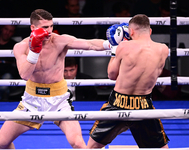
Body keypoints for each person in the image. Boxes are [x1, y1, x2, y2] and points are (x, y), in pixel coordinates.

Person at [0, 9, 110, 149]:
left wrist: (111, 44)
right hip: (32, 100)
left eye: (51, 26)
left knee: (77, 143)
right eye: (45, 27)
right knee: (2, 142)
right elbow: (24, 75)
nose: (49, 31)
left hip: (59, 100)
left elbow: (90, 44)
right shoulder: (21, 47)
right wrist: (34, 51)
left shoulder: (59, 41)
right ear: (33, 28)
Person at [86, 14, 169, 148]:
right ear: (150, 31)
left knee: (91, 147)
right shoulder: (163, 49)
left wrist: (114, 49)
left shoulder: (124, 47)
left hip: (119, 102)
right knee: (160, 148)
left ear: (131, 32)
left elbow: (112, 75)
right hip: (143, 104)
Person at [0, 25, 23, 101]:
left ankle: (3, 106)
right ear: (2, 28)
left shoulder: (16, 46)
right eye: (6, 29)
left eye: (11, 31)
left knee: (4, 83)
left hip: (8, 75)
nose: (7, 33)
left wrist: (4, 62)